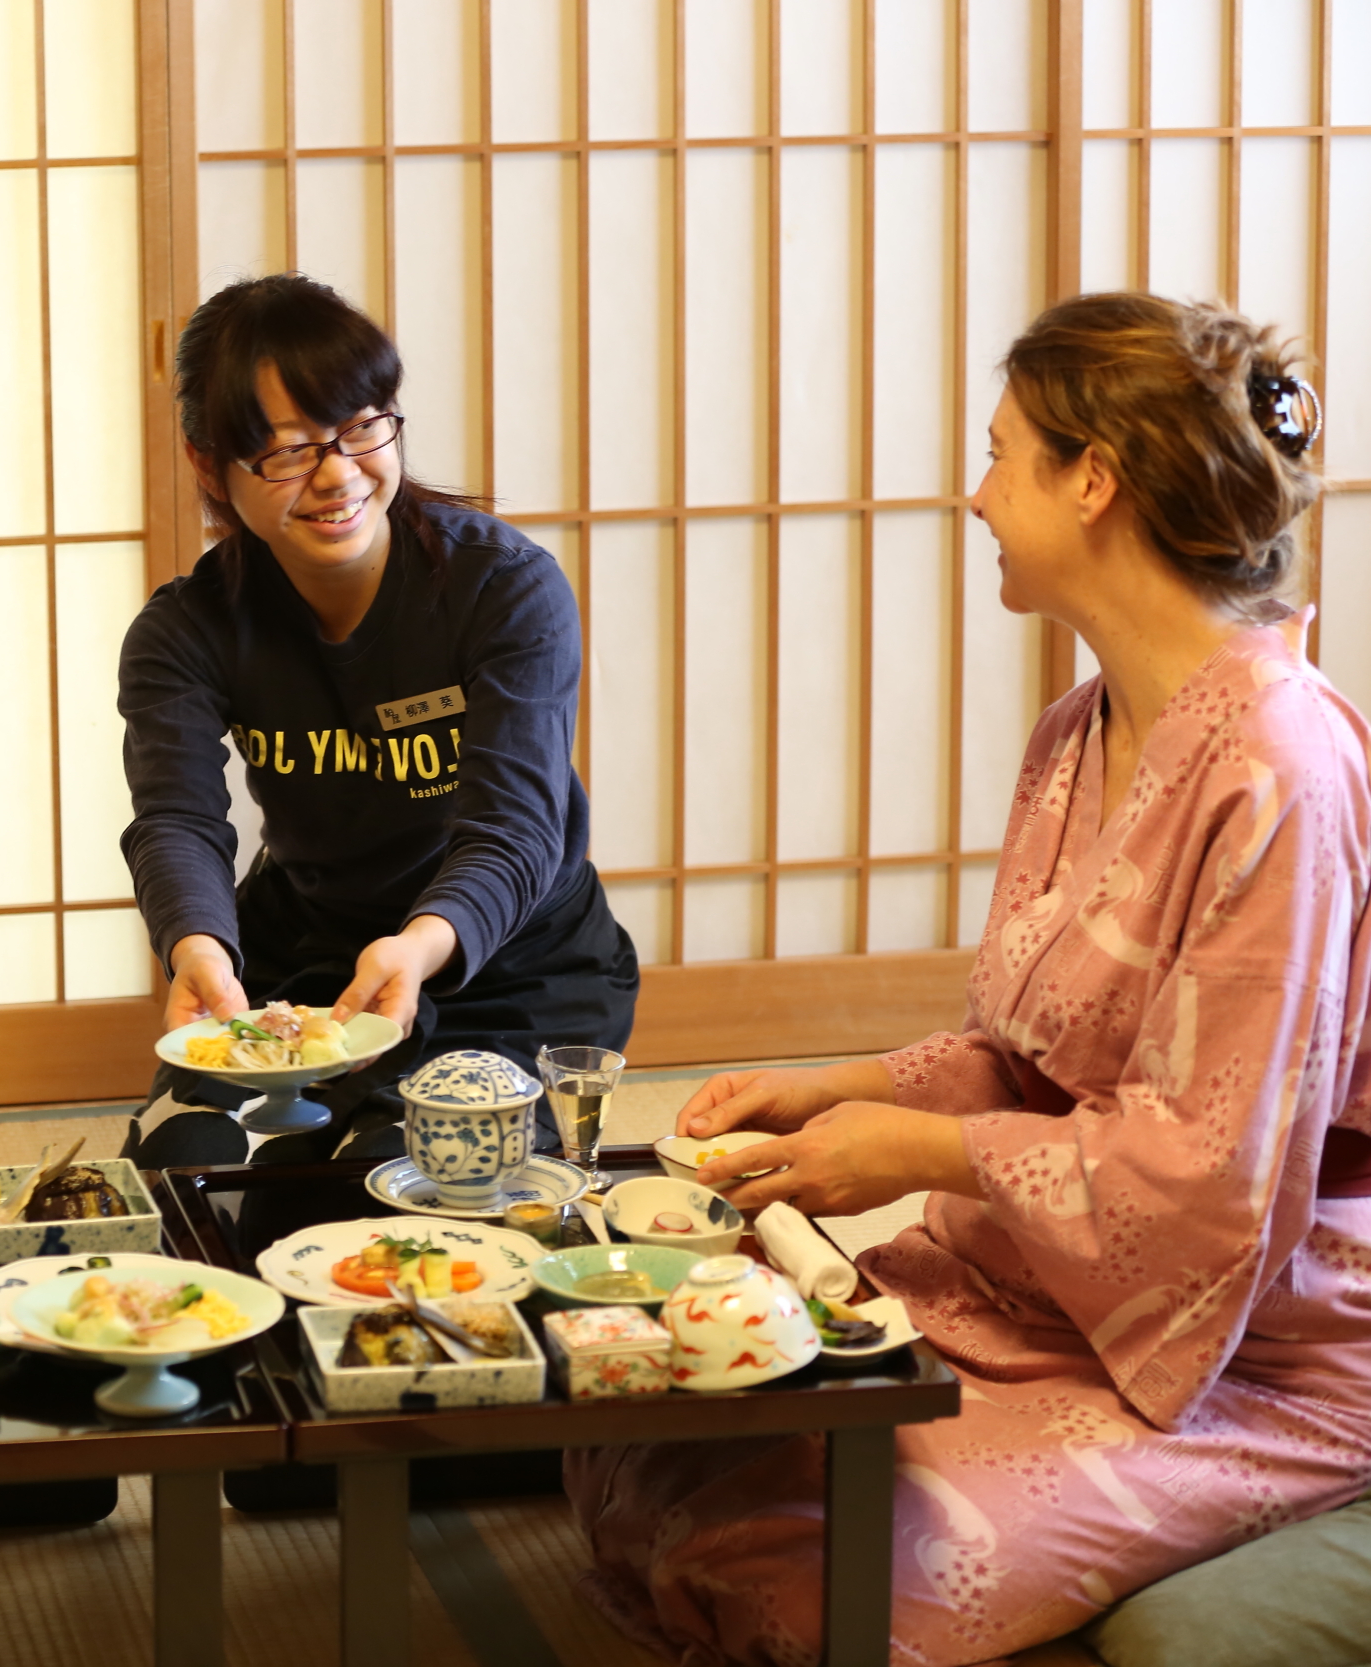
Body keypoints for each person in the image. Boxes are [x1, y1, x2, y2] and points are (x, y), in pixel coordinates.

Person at [573, 294, 1371, 1664]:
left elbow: (1211, 1182)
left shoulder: (1282, 773)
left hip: (1252, 1342)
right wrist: (830, 1089)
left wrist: (919, 1147)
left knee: (803, 1579)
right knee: (645, 1447)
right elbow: (1028, 1053)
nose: (976, 493)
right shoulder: (1081, 728)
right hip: (1043, 1281)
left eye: (1004, 456)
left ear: (1094, 482)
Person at [117, 272, 637, 1167]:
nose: (338, 475)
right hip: (308, 957)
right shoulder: (183, 631)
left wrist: (422, 942)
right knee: (190, 1163)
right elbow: (178, 819)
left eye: (361, 427)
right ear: (209, 465)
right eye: (285, 452)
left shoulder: (504, 590)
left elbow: (514, 829)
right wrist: (196, 944)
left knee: (405, 1178)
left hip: (508, 959)